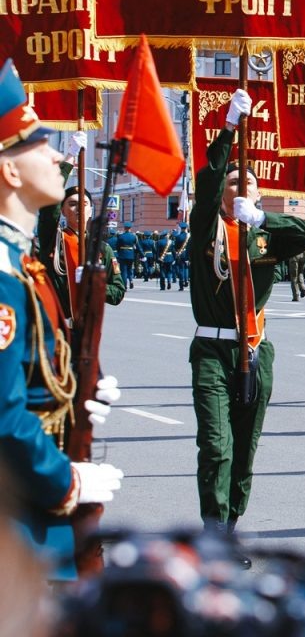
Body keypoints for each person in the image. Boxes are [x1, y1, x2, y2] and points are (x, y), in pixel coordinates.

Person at [0, 59, 123, 580]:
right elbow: (4, 419)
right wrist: (69, 482)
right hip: (21, 526)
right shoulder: (5, 279)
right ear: (8, 170)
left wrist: (76, 399)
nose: (54, 154)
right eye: (36, 144)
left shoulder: (24, 268)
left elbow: (32, 382)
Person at [188, 88, 305, 554]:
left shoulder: (265, 235)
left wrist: (263, 218)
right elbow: (205, 187)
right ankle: (214, 532)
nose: (239, 190)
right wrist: (226, 130)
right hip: (212, 350)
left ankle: (231, 522)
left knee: (244, 452)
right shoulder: (207, 226)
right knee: (216, 446)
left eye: (248, 186)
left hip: (255, 350)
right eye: (232, 184)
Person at [36, 137, 126, 320]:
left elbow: (118, 292)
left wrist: (94, 284)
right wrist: (70, 157)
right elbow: (49, 204)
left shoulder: (101, 249)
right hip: (56, 324)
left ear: (91, 210)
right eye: (72, 204)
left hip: (87, 329)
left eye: (84, 204)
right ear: (62, 210)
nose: (79, 208)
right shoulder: (54, 239)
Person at [114, 222, 138, 288]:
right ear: (130, 228)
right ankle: (131, 280)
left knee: (123, 271)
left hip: (123, 255)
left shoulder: (121, 236)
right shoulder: (134, 236)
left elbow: (117, 246)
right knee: (130, 269)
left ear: (124, 228)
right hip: (131, 255)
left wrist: (119, 253)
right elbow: (137, 246)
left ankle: (124, 286)